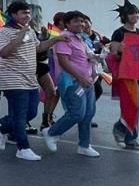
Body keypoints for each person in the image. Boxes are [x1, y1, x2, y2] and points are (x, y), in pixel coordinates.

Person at [0, 1, 65, 161]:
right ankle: (23, 148)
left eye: (28, 13)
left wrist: (56, 40)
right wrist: (19, 36)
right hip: (12, 79)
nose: (27, 16)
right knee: (19, 115)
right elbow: (4, 53)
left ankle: (3, 127)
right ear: (13, 15)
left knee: (31, 112)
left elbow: (38, 47)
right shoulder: (3, 32)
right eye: (23, 13)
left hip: (30, 78)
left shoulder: (30, 30)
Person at [42, 10, 100, 157]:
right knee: (76, 113)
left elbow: (87, 56)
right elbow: (64, 61)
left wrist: (96, 62)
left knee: (88, 114)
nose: (81, 24)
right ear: (67, 24)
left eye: (82, 21)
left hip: (87, 80)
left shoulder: (81, 38)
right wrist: (80, 77)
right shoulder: (64, 38)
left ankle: (84, 145)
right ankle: (51, 132)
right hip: (73, 81)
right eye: (76, 21)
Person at [107, 0, 139, 150]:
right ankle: (120, 128)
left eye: (137, 12)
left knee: (137, 107)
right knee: (136, 104)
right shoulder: (119, 33)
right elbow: (115, 54)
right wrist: (122, 50)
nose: (135, 15)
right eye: (131, 13)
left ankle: (132, 139)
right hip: (127, 74)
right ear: (124, 16)